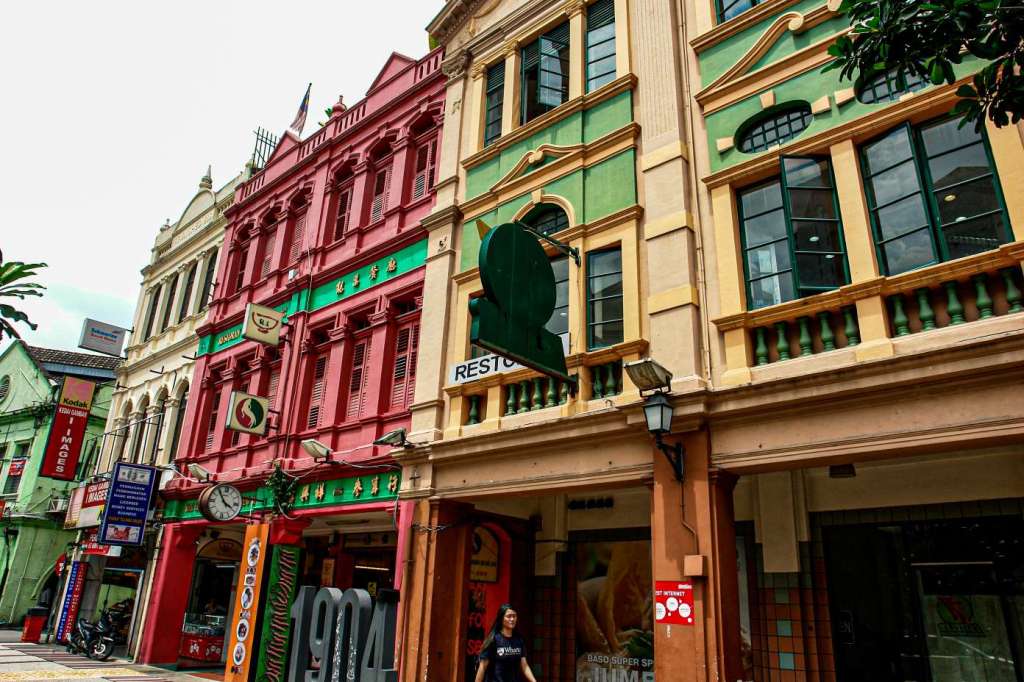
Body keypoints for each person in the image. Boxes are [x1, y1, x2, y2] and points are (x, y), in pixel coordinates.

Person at [474, 604, 538, 682]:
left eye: (514, 616)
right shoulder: (493, 640)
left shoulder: (519, 640)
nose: (512, 619)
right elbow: (482, 667)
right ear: (501, 619)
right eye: (509, 616)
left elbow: (524, 666)